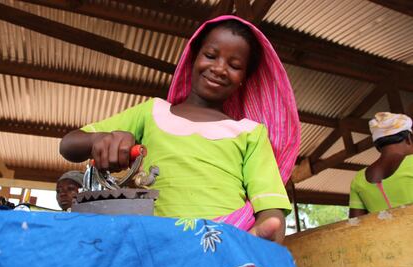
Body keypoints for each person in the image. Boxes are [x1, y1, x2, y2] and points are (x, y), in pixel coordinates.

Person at [59, 15, 300, 243]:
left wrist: (264, 237)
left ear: (244, 79)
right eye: (210, 55)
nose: (219, 68)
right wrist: (102, 139)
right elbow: (69, 145)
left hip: (221, 244)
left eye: (234, 65)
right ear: (192, 58)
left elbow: (270, 208)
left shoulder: (250, 132)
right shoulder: (152, 111)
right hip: (151, 243)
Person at [349, 112, 413, 218]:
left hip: (384, 234)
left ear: (377, 146)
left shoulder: (358, 179)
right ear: (408, 139)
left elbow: (355, 223)